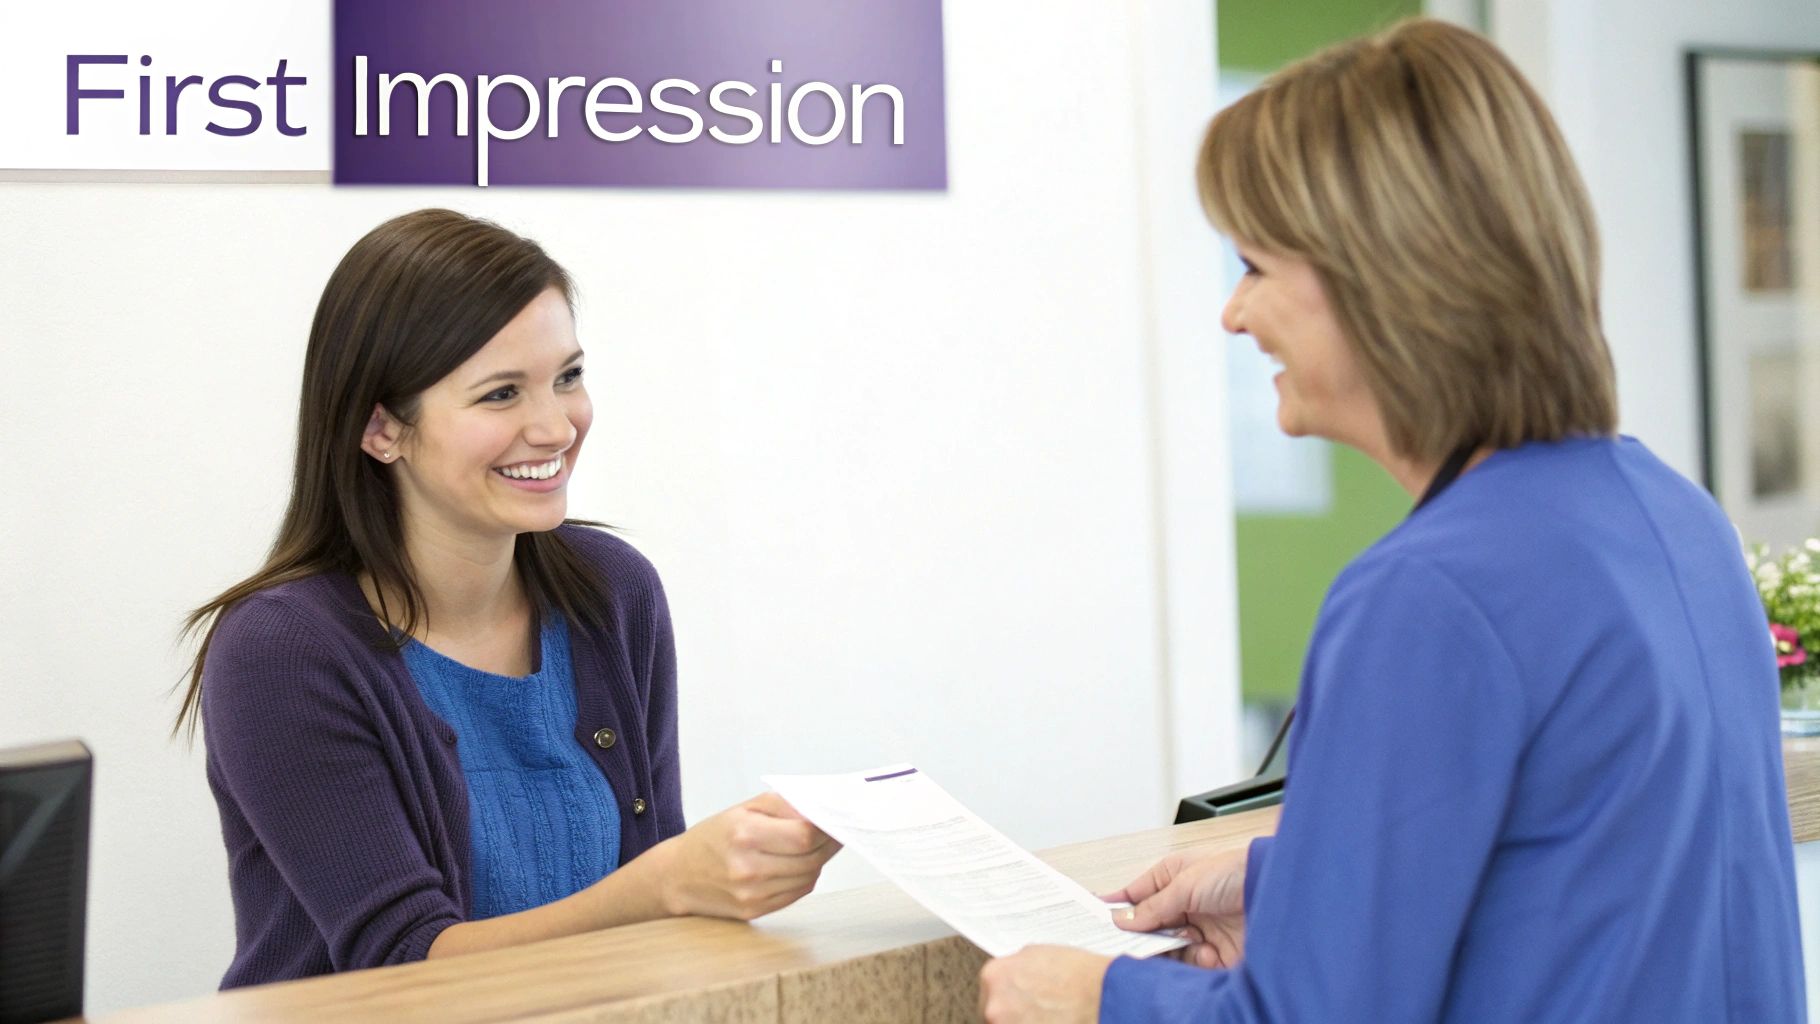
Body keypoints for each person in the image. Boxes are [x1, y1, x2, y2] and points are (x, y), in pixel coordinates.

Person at [977, 18, 1804, 1023]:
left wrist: (1095, 994)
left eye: (1251, 265)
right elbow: (1586, 864)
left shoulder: (1426, 594)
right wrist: (1288, 877)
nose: (1231, 314)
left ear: (1375, 275)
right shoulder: (1670, 514)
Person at [177, 209, 839, 987]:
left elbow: (661, 906)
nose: (556, 426)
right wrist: (668, 883)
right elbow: (402, 963)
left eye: (567, 377)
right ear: (379, 428)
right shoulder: (281, 652)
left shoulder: (614, 593)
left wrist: (726, 877)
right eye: (500, 395)